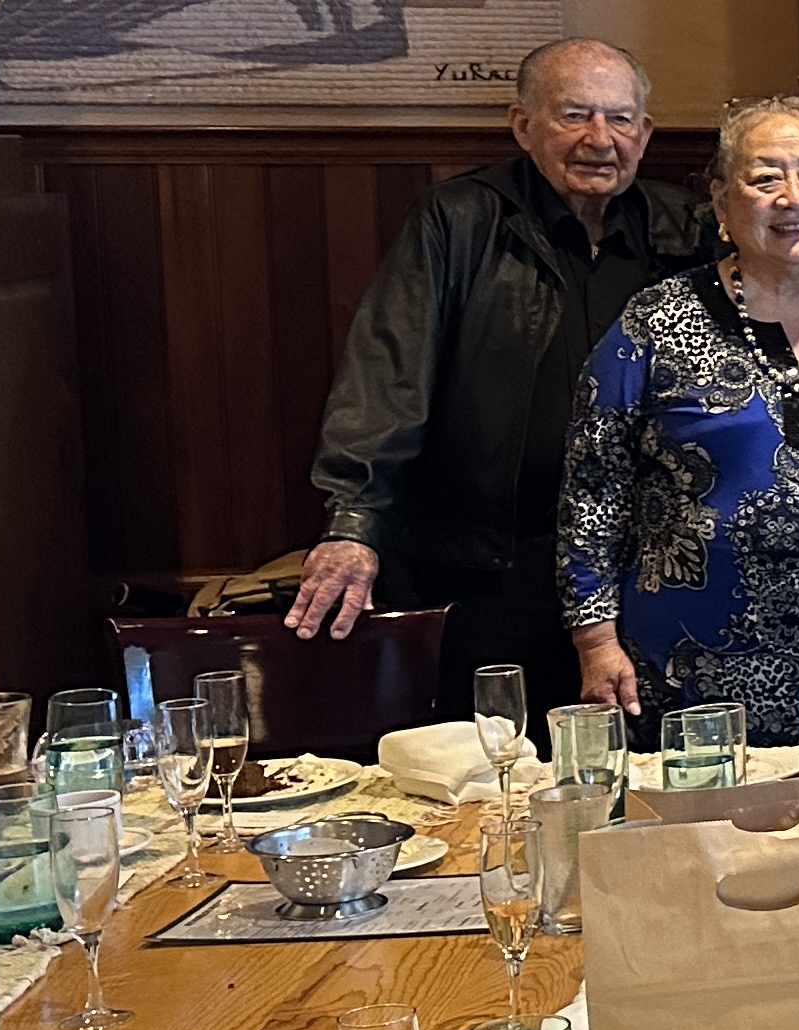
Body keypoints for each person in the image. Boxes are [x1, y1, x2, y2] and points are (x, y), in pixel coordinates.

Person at [295, 36, 714, 716]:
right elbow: (388, 375)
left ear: (644, 133)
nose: (600, 139)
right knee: (495, 758)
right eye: (574, 115)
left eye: (620, 119)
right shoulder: (459, 220)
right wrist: (353, 521)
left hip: (642, 569)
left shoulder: (687, 230)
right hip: (489, 567)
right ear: (523, 125)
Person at [557, 97, 799, 740]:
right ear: (723, 205)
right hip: (688, 672)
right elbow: (593, 488)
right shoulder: (655, 322)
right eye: (765, 179)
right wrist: (595, 640)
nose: (793, 198)